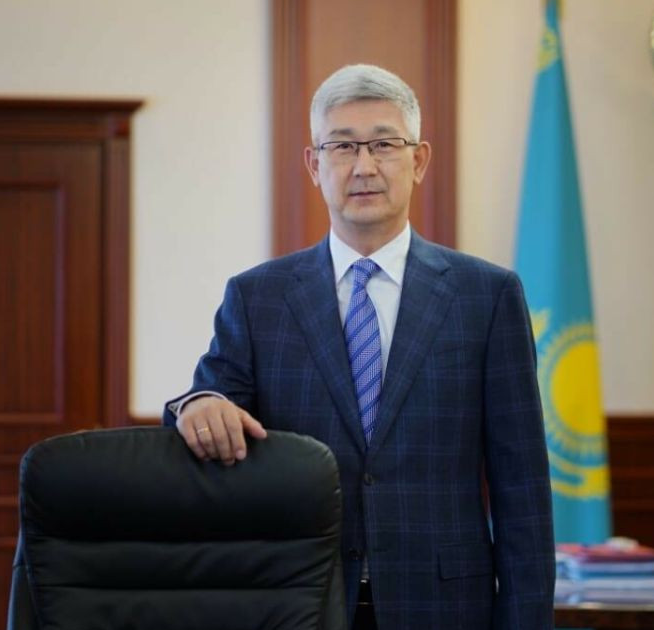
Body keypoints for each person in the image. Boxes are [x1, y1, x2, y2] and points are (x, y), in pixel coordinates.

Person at [165, 63, 554, 630]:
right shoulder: (258, 297)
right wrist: (197, 404)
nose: (364, 166)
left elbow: (523, 487)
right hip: (299, 603)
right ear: (314, 164)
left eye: (384, 145)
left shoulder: (487, 296)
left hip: (445, 607)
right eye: (342, 146)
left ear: (418, 160)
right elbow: (210, 400)